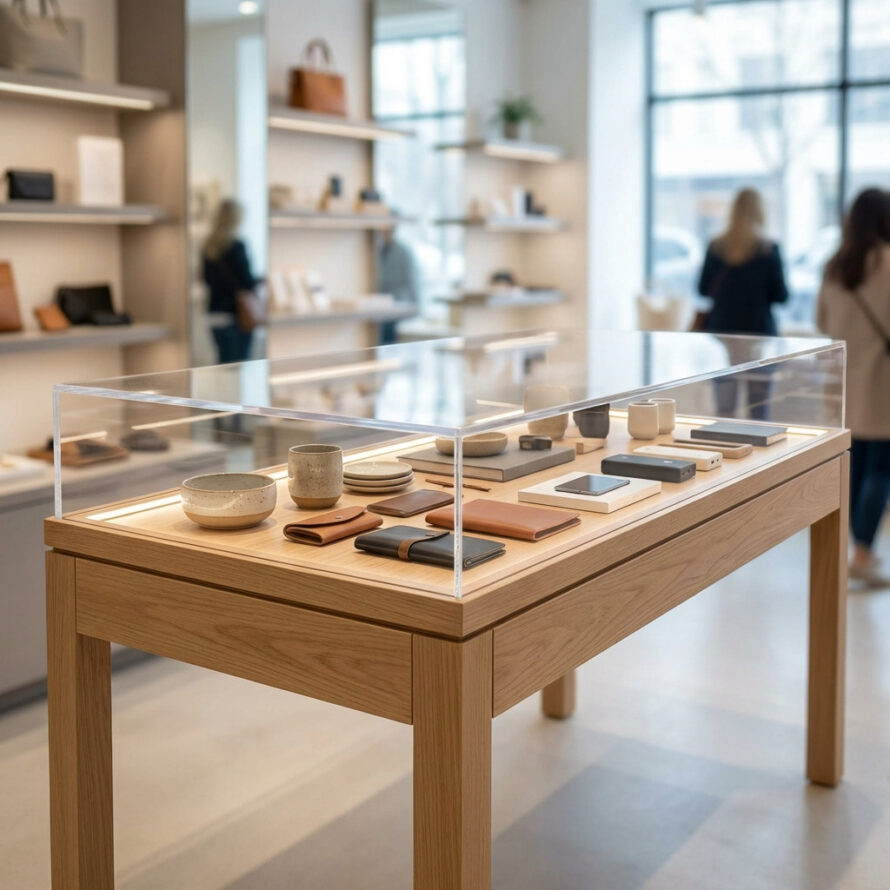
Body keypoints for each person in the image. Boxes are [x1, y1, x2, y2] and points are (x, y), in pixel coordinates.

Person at [818, 187, 890, 586]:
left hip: (845, 385)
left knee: (856, 467)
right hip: (883, 385)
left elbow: (823, 322)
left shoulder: (835, 266)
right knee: (882, 469)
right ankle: (863, 554)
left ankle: (854, 549)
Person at [697, 188, 789, 419]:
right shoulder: (768, 250)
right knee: (759, 410)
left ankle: (726, 451)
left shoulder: (716, 247)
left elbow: (702, 289)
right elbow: (781, 295)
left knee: (725, 410)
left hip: (722, 336)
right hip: (759, 337)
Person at [202, 199, 262, 364]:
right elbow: (247, 282)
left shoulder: (208, 247)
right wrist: (260, 281)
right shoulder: (237, 246)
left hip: (215, 313)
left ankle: (221, 391)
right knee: (240, 364)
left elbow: (206, 279)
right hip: (236, 315)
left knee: (223, 363)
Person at [376, 225, 419, 345]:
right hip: (381, 308)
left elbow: (412, 281)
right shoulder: (378, 250)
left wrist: (416, 308)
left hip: (397, 306)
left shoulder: (403, 252)